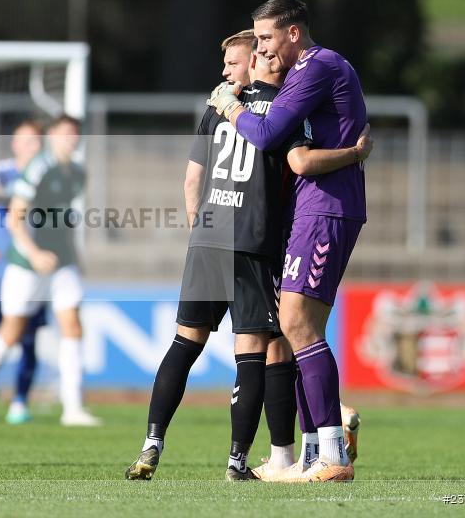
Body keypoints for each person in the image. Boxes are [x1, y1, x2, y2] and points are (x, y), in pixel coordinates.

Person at [125, 30, 371, 481]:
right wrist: (354, 153)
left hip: (208, 239)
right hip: (256, 240)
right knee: (265, 347)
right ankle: (257, 457)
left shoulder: (215, 108)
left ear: (254, 63)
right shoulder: (280, 112)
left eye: (233, 63)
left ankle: (153, 441)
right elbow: (299, 163)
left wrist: (200, 228)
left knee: (186, 343)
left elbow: (190, 182)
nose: (226, 72)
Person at [212, 0, 368, 482]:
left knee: (297, 322)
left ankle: (333, 454)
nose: (260, 48)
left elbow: (266, 133)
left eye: (264, 38)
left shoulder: (317, 68)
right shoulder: (308, 75)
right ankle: (313, 453)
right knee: (296, 327)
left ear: (293, 33)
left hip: (326, 208)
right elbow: (294, 151)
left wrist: (229, 106)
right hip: (309, 208)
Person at [0, 116, 102, 427]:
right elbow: (15, 219)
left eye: (75, 134)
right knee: (11, 334)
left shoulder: (78, 172)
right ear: (52, 137)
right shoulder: (38, 168)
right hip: (27, 265)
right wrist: (35, 253)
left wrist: (76, 256)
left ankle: (73, 408)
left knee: (73, 327)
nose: (72, 139)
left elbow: (65, 219)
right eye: (65, 134)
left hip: (62, 264)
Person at [0, 121, 47, 424]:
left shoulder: (47, 174)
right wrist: (24, 193)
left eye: (38, 141)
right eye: (28, 141)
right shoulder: (1, 170)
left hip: (28, 266)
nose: (34, 147)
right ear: (15, 143)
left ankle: (19, 402)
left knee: (27, 336)